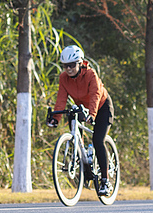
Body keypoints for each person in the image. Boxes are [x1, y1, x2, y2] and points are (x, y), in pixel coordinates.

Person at [46, 45, 116, 197]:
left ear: (80, 63)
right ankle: (82, 158)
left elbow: (95, 95)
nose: (69, 69)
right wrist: (56, 118)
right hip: (81, 107)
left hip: (102, 107)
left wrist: (92, 114)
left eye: (72, 65)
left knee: (98, 140)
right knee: (71, 118)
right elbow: (61, 99)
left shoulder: (91, 74)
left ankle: (105, 180)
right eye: (65, 66)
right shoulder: (64, 78)